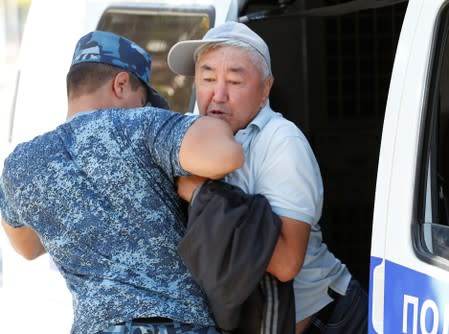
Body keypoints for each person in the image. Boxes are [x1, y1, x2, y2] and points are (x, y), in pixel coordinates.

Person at [0, 30, 244, 334]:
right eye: (143, 98)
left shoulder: (21, 164)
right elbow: (226, 155)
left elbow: (28, 248)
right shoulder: (141, 124)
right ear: (121, 84)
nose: (144, 106)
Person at [168, 21, 368, 333]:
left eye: (234, 81)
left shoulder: (281, 142)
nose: (217, 95)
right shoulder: (193, 139)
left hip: (325, 321)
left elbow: (287, 262)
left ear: (265, 89)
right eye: (207, 78)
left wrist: (203, 196)